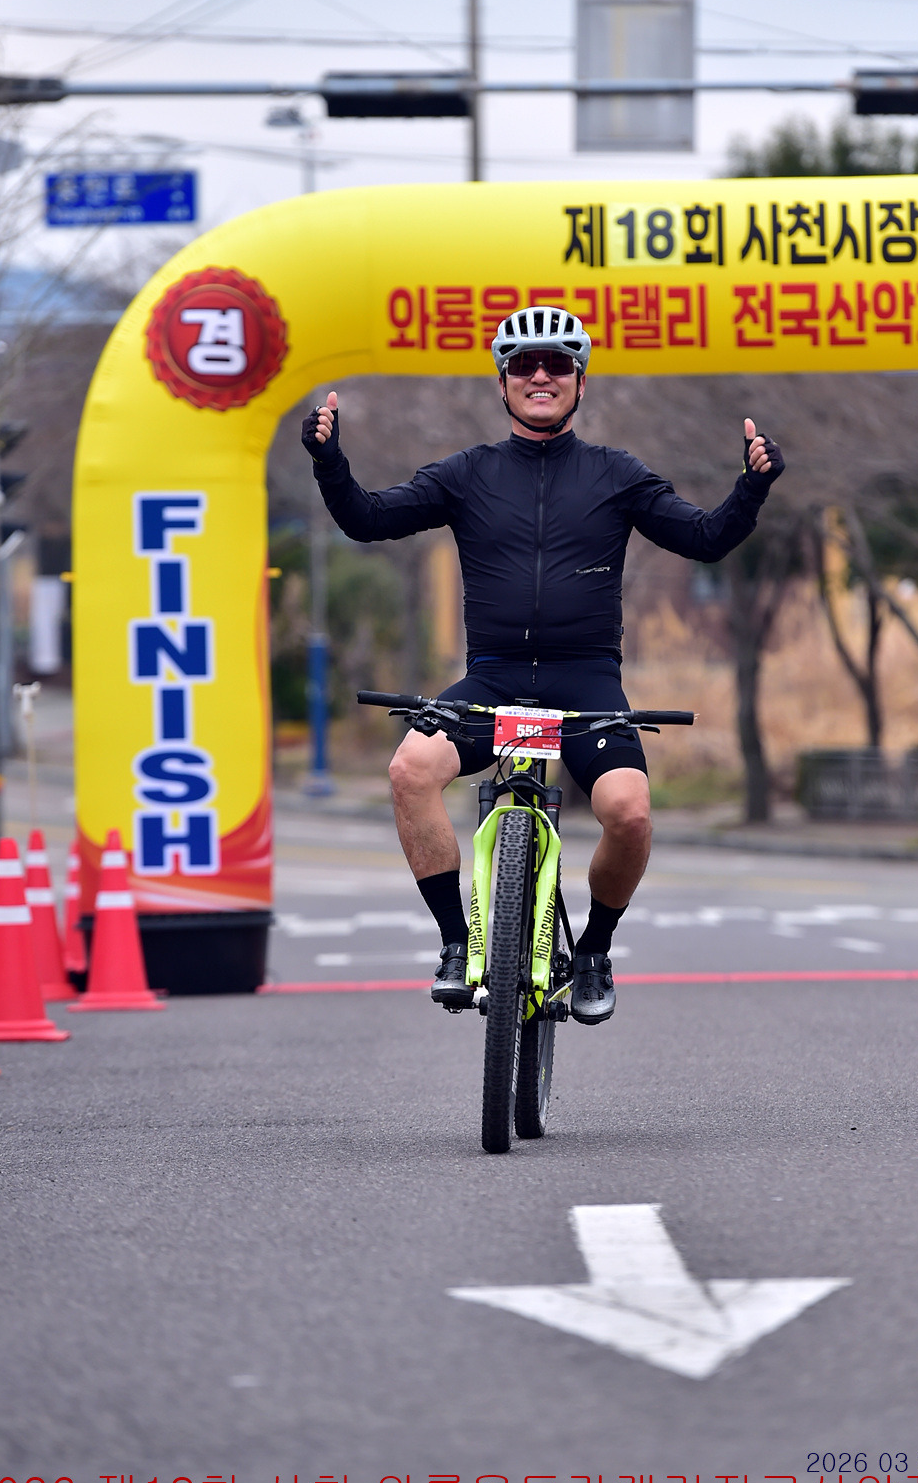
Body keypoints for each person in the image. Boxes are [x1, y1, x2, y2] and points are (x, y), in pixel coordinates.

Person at [301, 306, 785, 1024]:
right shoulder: (467, 472)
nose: (539, 375)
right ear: (502, 382)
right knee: (409, 770)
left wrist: (752, 486)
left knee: (630, 813)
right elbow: (367, 518)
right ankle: (456, 943)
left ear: (580, 382)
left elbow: (707, 539)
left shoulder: (617, 473)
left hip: (585, 682)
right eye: (523, 364)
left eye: (557, 364)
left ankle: (593, 952)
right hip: (492, 677)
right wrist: (329, 461)